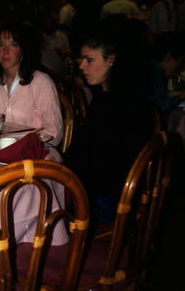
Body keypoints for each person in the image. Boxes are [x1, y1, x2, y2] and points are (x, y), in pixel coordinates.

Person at [65, 16, 155, 225]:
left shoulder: (115, 106)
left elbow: (93, 162)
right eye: (82, 59)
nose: (82, 66)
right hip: (117, 194)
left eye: (89, 60)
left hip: (109, 203)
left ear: (111, 60)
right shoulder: (122, 98)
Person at [0, 21, 63, 147]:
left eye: (13, 45)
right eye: (0, 45)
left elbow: (54, 132)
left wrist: (21, 144)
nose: (5, 51)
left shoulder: (41, 82)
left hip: (33, 153)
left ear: (24, 50)